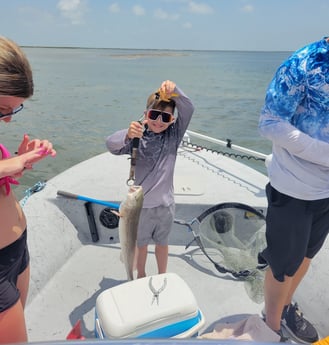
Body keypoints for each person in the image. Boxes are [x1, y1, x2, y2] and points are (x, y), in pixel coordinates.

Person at [257, 37, 329, 343]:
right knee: (283, 265)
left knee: (307, 257)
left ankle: (285, 308)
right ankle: (271, 326)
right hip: (293, 188)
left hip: (326, 191)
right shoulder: (305, 63)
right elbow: (269, 122)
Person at [106, 80, 194, 278]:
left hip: (166, 205)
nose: (159, 121)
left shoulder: (174, 135)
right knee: (142, 245)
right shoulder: (138, 137)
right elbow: (111, 145)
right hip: (140, 208)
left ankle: (163, 274)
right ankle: (141, 274)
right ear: (146, 115)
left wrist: (175, 91)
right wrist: (127, 134)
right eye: (154, 115)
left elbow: (188, 108)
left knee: (163, 244)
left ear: (172, 120)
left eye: (166, 117)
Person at [0, 36, 56, 343]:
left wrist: (21, 158)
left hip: (17, 250)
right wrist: (11, 163)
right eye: (2, 109)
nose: (7, 120)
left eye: (14, 111)